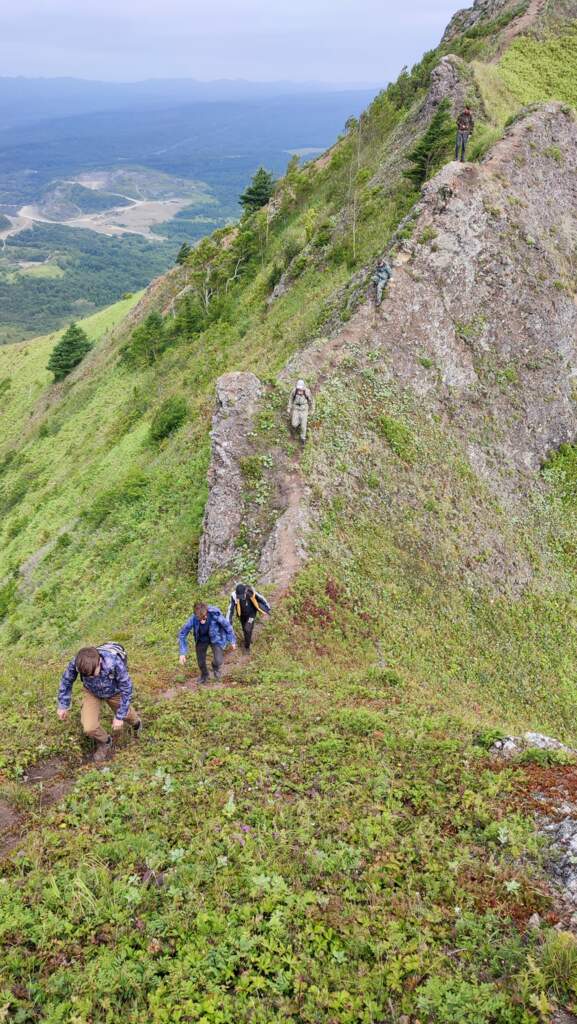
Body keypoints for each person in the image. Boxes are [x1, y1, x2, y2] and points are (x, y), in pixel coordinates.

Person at [57, 642, 141, 763]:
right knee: (89, 727)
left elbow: (127, 688)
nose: (90, 677)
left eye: (92, 673)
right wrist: (63, 705)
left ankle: (137, 725)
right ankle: (105, 742)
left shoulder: (114, 662)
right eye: (86, 675)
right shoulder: (77, 663)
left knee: (128, 716)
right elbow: (66, 681)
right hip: (92, 692)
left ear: (99, 663)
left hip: (114, 691)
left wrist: (119, 716)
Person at [178, 602, 236, 683]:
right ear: (195, 615)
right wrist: (182, 653)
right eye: (200, 619)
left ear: (206, 613)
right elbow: (182, 634)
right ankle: (205, 675)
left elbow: (227, 626)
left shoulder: (214, 615)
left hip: (215, 638)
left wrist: (232, 641)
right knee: (201, 663)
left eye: (204, 618)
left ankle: (215, 667)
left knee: (219, 660)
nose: (202, 621)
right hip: (202, 640)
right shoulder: (193, 619)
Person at [227, 582, 271, 651]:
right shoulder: (234, 596)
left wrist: (267, 608)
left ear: (245, 591)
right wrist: (228, 621)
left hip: (251, 614)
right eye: (240, 596)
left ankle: (247, 648)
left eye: (242, 596)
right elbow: (230, 609)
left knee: (247, 628)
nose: (241, 598)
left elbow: (261, 598)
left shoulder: (250, 592)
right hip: (242, 615)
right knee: (245, 629)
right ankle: (248, 640)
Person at [287, 379, 315, 444]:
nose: (299, 390)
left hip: (304, 409)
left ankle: (303, 438)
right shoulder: (294, 391)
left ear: (303, 387)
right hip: (296, 409)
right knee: (294, 424)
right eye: (298, 388)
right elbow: (290, 399)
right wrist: (289, 407)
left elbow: (312, 401)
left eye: (301, 389)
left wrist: (312, 410)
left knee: (303, 426)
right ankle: (299, 421)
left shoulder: (307, 392)